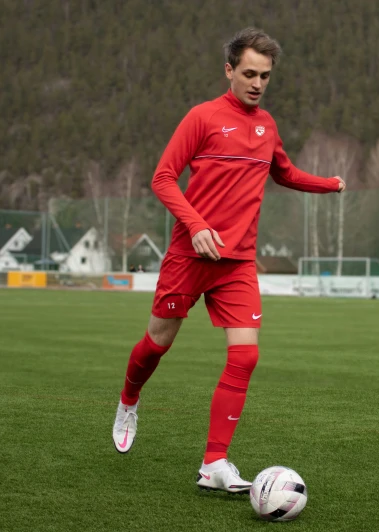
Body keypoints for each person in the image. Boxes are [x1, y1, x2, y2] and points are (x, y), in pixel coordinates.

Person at [111, 27, 345, 493]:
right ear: (229, 71)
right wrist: (196, 226)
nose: (258, 83)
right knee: (156, 344)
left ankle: (214, 463)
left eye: (266, 76)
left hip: (237, 263)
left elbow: (286, 173)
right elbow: (162, 178)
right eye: (250, 74)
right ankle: (129, 399)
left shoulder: (268, 126)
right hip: (188, 255)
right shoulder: (202, 117)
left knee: (246, 355)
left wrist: (330, 183)